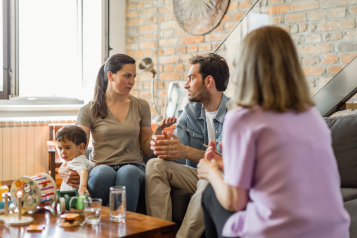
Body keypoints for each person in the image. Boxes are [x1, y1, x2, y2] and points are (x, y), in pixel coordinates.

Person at [198, 26, 350, 238]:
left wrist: (211, 171)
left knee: (211, 194)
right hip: (334, 232)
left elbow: (235, 200)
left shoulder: (242, 117)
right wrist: (226, 162)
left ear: (245, 69)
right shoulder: (311, 116)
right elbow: (280, 172)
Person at [59, 54, 176, 211]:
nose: (132, 82)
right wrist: (64, 167)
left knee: (128, 172)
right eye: (127, 76)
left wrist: (159, 130)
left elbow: (147, 149)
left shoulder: (141, 106)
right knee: (103, 173)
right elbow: (76, 147)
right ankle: (94, 224)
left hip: (133, 166)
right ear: (110, 76)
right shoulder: (88, 110)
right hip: (100, 165)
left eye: (134, 76)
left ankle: (125, 228)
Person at [146, 53, 230, 238]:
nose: (186, 84)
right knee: (155, 166)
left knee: (209, 178)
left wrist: (185, 151)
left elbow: (228, 162)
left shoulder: (235, 114)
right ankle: (159, 234)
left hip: (223, 177)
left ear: (209, 81)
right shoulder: (190, 111)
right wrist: (161, 142)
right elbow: (175, 152)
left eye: (191, 78)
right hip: (195, 174)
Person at [56, 125, 95, 196]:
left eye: (67, 148)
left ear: (80, 147)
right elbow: (94, 165)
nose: (62, 152)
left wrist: (82, 187)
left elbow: (83, 172)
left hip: (73, 196)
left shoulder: (76, 160)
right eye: (60, 148)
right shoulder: (81, 159)